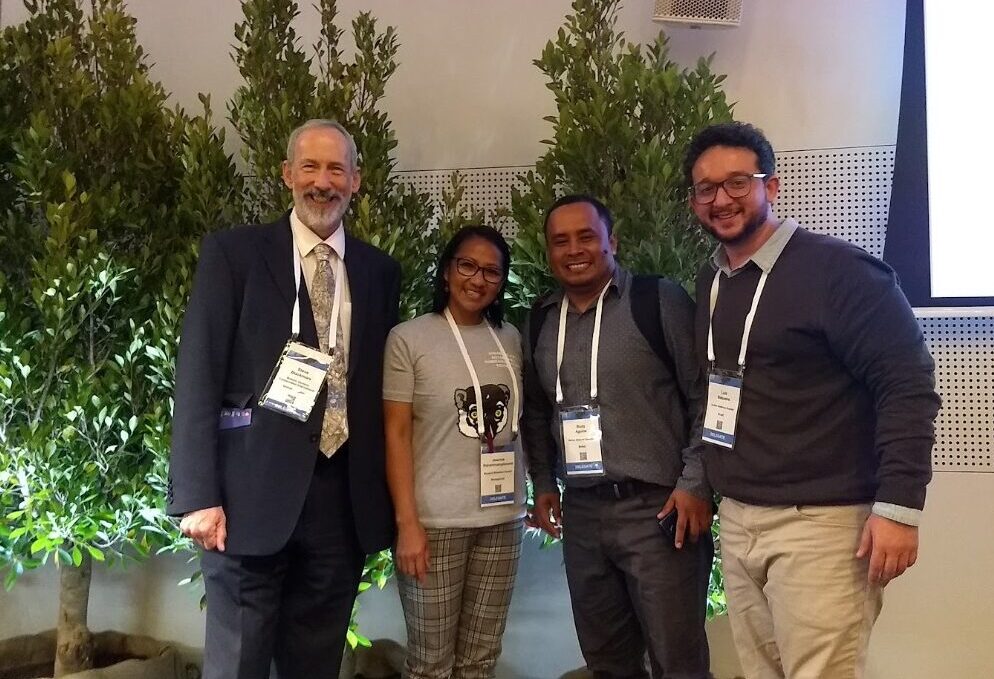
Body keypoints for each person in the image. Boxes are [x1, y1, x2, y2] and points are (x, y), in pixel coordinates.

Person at [683, 121, 941, 679]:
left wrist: (898, 507)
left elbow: (907, 384)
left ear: (771, 186)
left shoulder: (840, 272)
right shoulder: (714, 280)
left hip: (822, 524)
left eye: (737, 182)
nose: (721, 199)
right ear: (694, 201)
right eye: (706, 188)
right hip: (740, 517)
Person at [167, 119, 401, 679]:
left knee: (314, 665)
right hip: (245, 501)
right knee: (238, 664)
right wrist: (197, 495)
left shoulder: (379, 272)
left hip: (341, 505)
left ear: (356, 180)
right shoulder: (234, 254)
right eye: (310, 167)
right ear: (287, 174)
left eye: (336, 169)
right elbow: (198, 372)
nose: (323, 182)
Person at [522, 195, 713, 679]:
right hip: (583, 514)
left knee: (678, 663)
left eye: (586, 236)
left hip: (658, 510)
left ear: (613, 241)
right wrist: (543, 482)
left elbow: (705, 396)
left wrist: (696, 484)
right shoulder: (541, 319)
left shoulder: (658, 301)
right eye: (560, 241)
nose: (574, 250)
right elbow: (538, 412)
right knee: (607, 661)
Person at [383, 225, 525, 679]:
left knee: (479, 661)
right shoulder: (408, 339)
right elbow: (395, 433)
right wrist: (407, 525)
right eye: (467, 266)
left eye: (492, 271)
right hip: (434, 524)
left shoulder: (509, 337)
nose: (478, 279)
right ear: (447, 271)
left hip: (502, 519)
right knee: (431, 665)